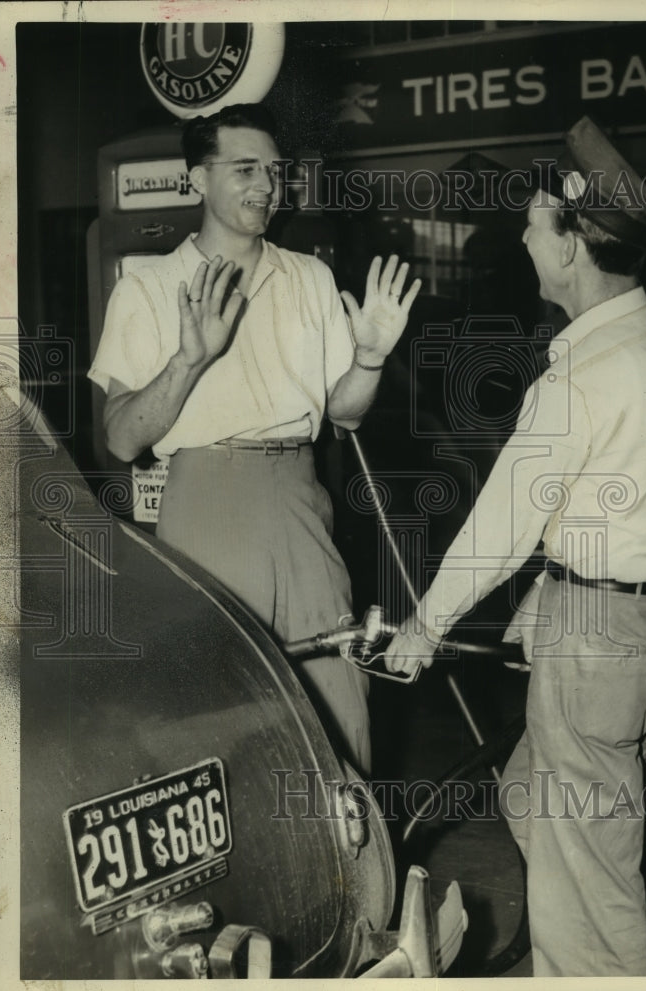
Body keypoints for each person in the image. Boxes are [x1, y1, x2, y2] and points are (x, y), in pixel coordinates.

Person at [385, 116, 646, 976]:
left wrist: (427, 624)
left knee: (582, 899)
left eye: (536, 224)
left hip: (597, 654)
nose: (527, 239)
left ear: (572, 247)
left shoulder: (578, 377)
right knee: (542, 800)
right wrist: (553, 589)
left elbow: (504, 522)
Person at [89, 104, 420, 776]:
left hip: (301, 500)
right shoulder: (148, 288)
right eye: (246, 169)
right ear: (197, 180)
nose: (267, 185)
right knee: (215, 712)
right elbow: (121, 440)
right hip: (206, 504)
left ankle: (353, 867)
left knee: (337, 697)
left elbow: (345, 415)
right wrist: (189, 360)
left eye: (275, 171)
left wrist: (372, 359)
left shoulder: (309, 278)